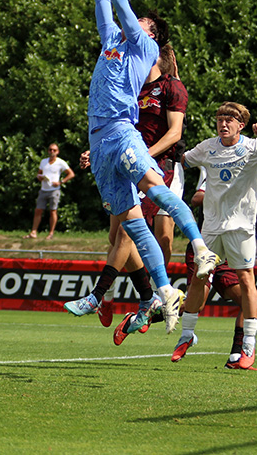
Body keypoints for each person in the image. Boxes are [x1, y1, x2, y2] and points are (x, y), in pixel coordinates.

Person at [63, 0, 218, 334]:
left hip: (121, 132)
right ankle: (163, 292)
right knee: (132, 224)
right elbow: (102, 0)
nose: (140, 20)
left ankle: (201, 249)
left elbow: (123, 6)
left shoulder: (144, 46)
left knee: (156, 191)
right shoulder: (111, 40)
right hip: (99, 142)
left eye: (147, 21)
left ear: (152, 35)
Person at [77, 43, 188, 334]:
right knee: (116, 238)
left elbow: (175, 133)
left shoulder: (172, 87)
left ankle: (100, 295)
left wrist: (140, 157)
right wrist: (101, 152)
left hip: (157, 165)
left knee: (132, 233)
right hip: (126, 162)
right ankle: (147, 298)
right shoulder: (132, 86)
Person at [178, 102, 257, 370]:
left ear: (242, 125)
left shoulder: (254, 148)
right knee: (198, 278)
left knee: (246, 279)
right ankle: (186, 335)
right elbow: (182, 159)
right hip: (212, 228)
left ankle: (248, 346)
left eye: (230, 119)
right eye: (220, 118)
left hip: (240, 228)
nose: (223, 123)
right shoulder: (207, 147)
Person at [165, 171, 257, 369]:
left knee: (250, 303)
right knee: (195, 305)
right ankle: (153, 313)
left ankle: (236, 356)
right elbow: (196, 198)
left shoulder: (251, 189)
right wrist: (230, 194)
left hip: (228, 253)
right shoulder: (223, 168)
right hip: (207, 247)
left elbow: (252, 229)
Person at [25, 144, 75, 240]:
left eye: (54, 150)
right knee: (38, 210)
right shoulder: (43, 162)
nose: (52, 152)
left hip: (54, 190)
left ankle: (51, 233)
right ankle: (33, 232)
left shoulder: (61, 162)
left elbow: (71, 174)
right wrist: (39, 177)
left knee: (53, 211)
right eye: (50, 150)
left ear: (57, 152)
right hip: (43, 189)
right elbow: (39, 174)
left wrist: (61, 182)